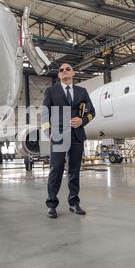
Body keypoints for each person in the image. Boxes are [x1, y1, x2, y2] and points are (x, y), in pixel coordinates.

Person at [41, 63, 95, 218]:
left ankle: (74, 203)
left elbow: (92, 112)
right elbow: (45, 112)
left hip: (77, 135)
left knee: (74, 170)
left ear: (73, 73)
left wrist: (82, 121)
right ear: (59, 75)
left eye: (68, 69)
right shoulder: (51, 91)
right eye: (61, 70)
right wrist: (48, 131)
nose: (64, 71)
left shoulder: (82, 91)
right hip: (58, 135)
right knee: (56, 169)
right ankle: (51, 204)